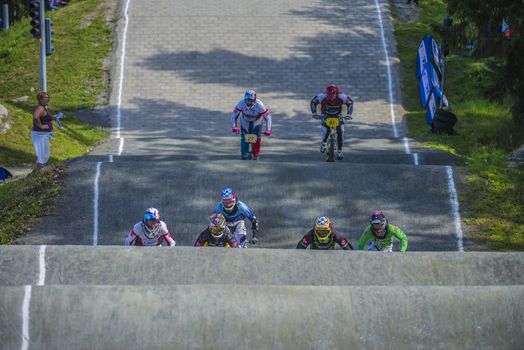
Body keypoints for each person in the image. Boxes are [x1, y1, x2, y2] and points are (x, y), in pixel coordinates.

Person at [310, 84, 354, 160]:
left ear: (337, 94)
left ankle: (339, 150)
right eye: (329, 98)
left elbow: (350, 103)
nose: (332, 102)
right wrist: (314, 113)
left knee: (341, 130)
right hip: (325, 114)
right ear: (326, 94)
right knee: (325, 129)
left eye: (333, 99)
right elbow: (313, 102)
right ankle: (323, 143)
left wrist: (349, 114)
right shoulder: (321, 96)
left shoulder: (342, 96)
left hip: (337, 115)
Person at [231, 90, 272, 160]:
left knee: (257, 137)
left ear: (255, 100)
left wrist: (268, 129)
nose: (249, 103)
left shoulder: (260, 105)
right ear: (245, 99)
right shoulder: (241, 103)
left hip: (257, 120)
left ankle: (255, 154)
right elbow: (234, 115)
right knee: (244, 137)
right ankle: (244, 154)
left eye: (251, 101)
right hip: (245, 120)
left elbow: (268, 117)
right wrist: (234, 127)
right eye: (247, 101)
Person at [31, 92, 63, 171]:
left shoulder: (43, 108)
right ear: (40, 99)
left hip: (44, 135)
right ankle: (36, 174)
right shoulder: (40, 108)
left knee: (44, 156)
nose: (48, 99)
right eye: (45, 97)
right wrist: (41, 126)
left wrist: (54, 118)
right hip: (39, 135)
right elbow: (35, 117)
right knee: (42, 156)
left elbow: (46, 117)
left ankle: (35, 173)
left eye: (48, 97)